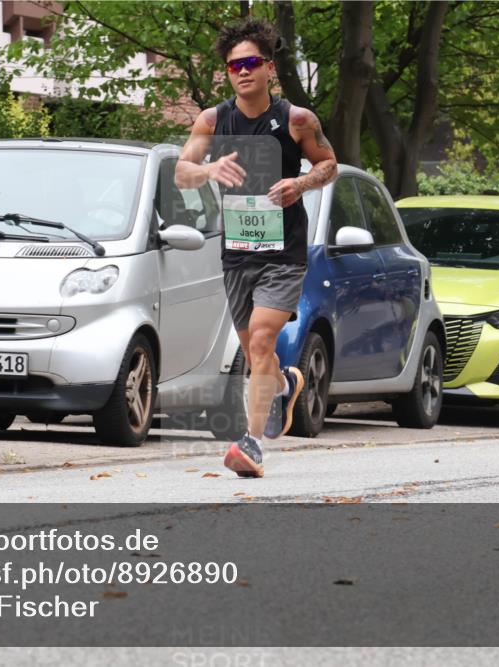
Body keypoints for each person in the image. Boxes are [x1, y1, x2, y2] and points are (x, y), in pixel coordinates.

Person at [175, 17, 337, 478]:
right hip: (238, 252)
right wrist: (208, 171)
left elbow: (330, 165)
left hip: (283, 252)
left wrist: (300, 183)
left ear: (269, 68)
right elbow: (182, 171)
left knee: (264, 339)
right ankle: (285, 383)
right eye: (233, 66)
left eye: (251, 63)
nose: (242, 71)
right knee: (255, 355)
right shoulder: (213, 119)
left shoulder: (297, 119)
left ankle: (251, 444)